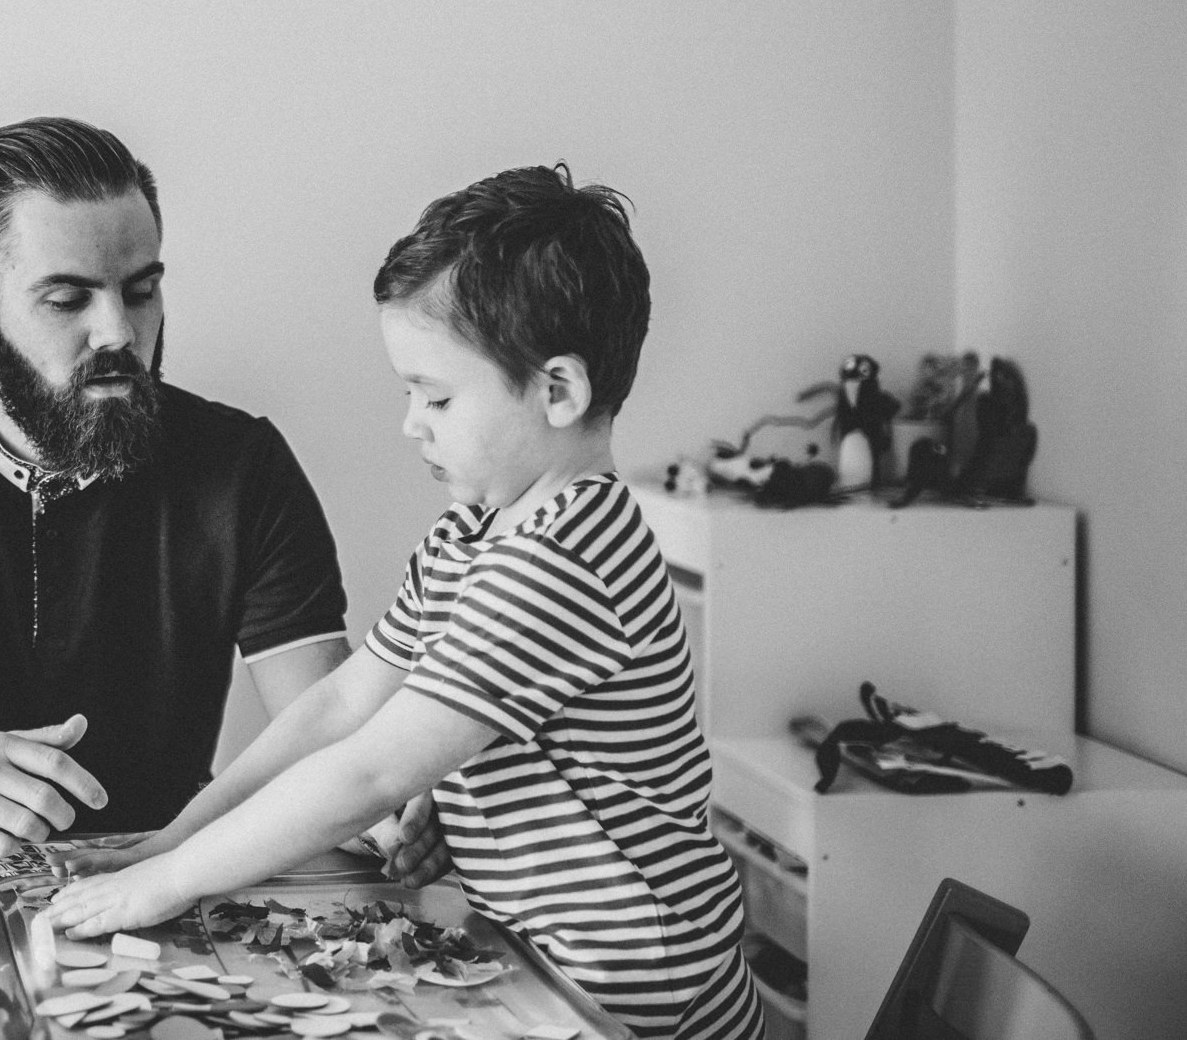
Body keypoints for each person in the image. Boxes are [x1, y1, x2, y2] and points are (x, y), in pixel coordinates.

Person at [47, 165, 762, 1040]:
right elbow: (341, 706)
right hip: (542, 955)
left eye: (437, 396)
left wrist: (169, 882)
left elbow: (373, 769)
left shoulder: (563, 559)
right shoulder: (467, 536)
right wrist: (173, 839)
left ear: (558, 391)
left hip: (636, 993)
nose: (410, 423)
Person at [0, 117, 449, 876]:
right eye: (66, 300)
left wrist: (384, 811)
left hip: (159, 894)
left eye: (141, 289)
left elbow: (329, 739)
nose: (117, 330)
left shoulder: (241, 467)